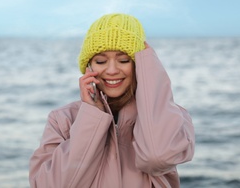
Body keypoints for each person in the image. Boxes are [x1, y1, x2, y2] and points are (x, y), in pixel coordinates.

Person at [29, 13, 195, 188]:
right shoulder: (62, 119)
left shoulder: (173, 116)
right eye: (101, 61)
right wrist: (92, 116)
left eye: (123, 60)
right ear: (89, 67)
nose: (112, 70)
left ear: (139, 64)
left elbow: (158, 157)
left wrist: (149, 65)